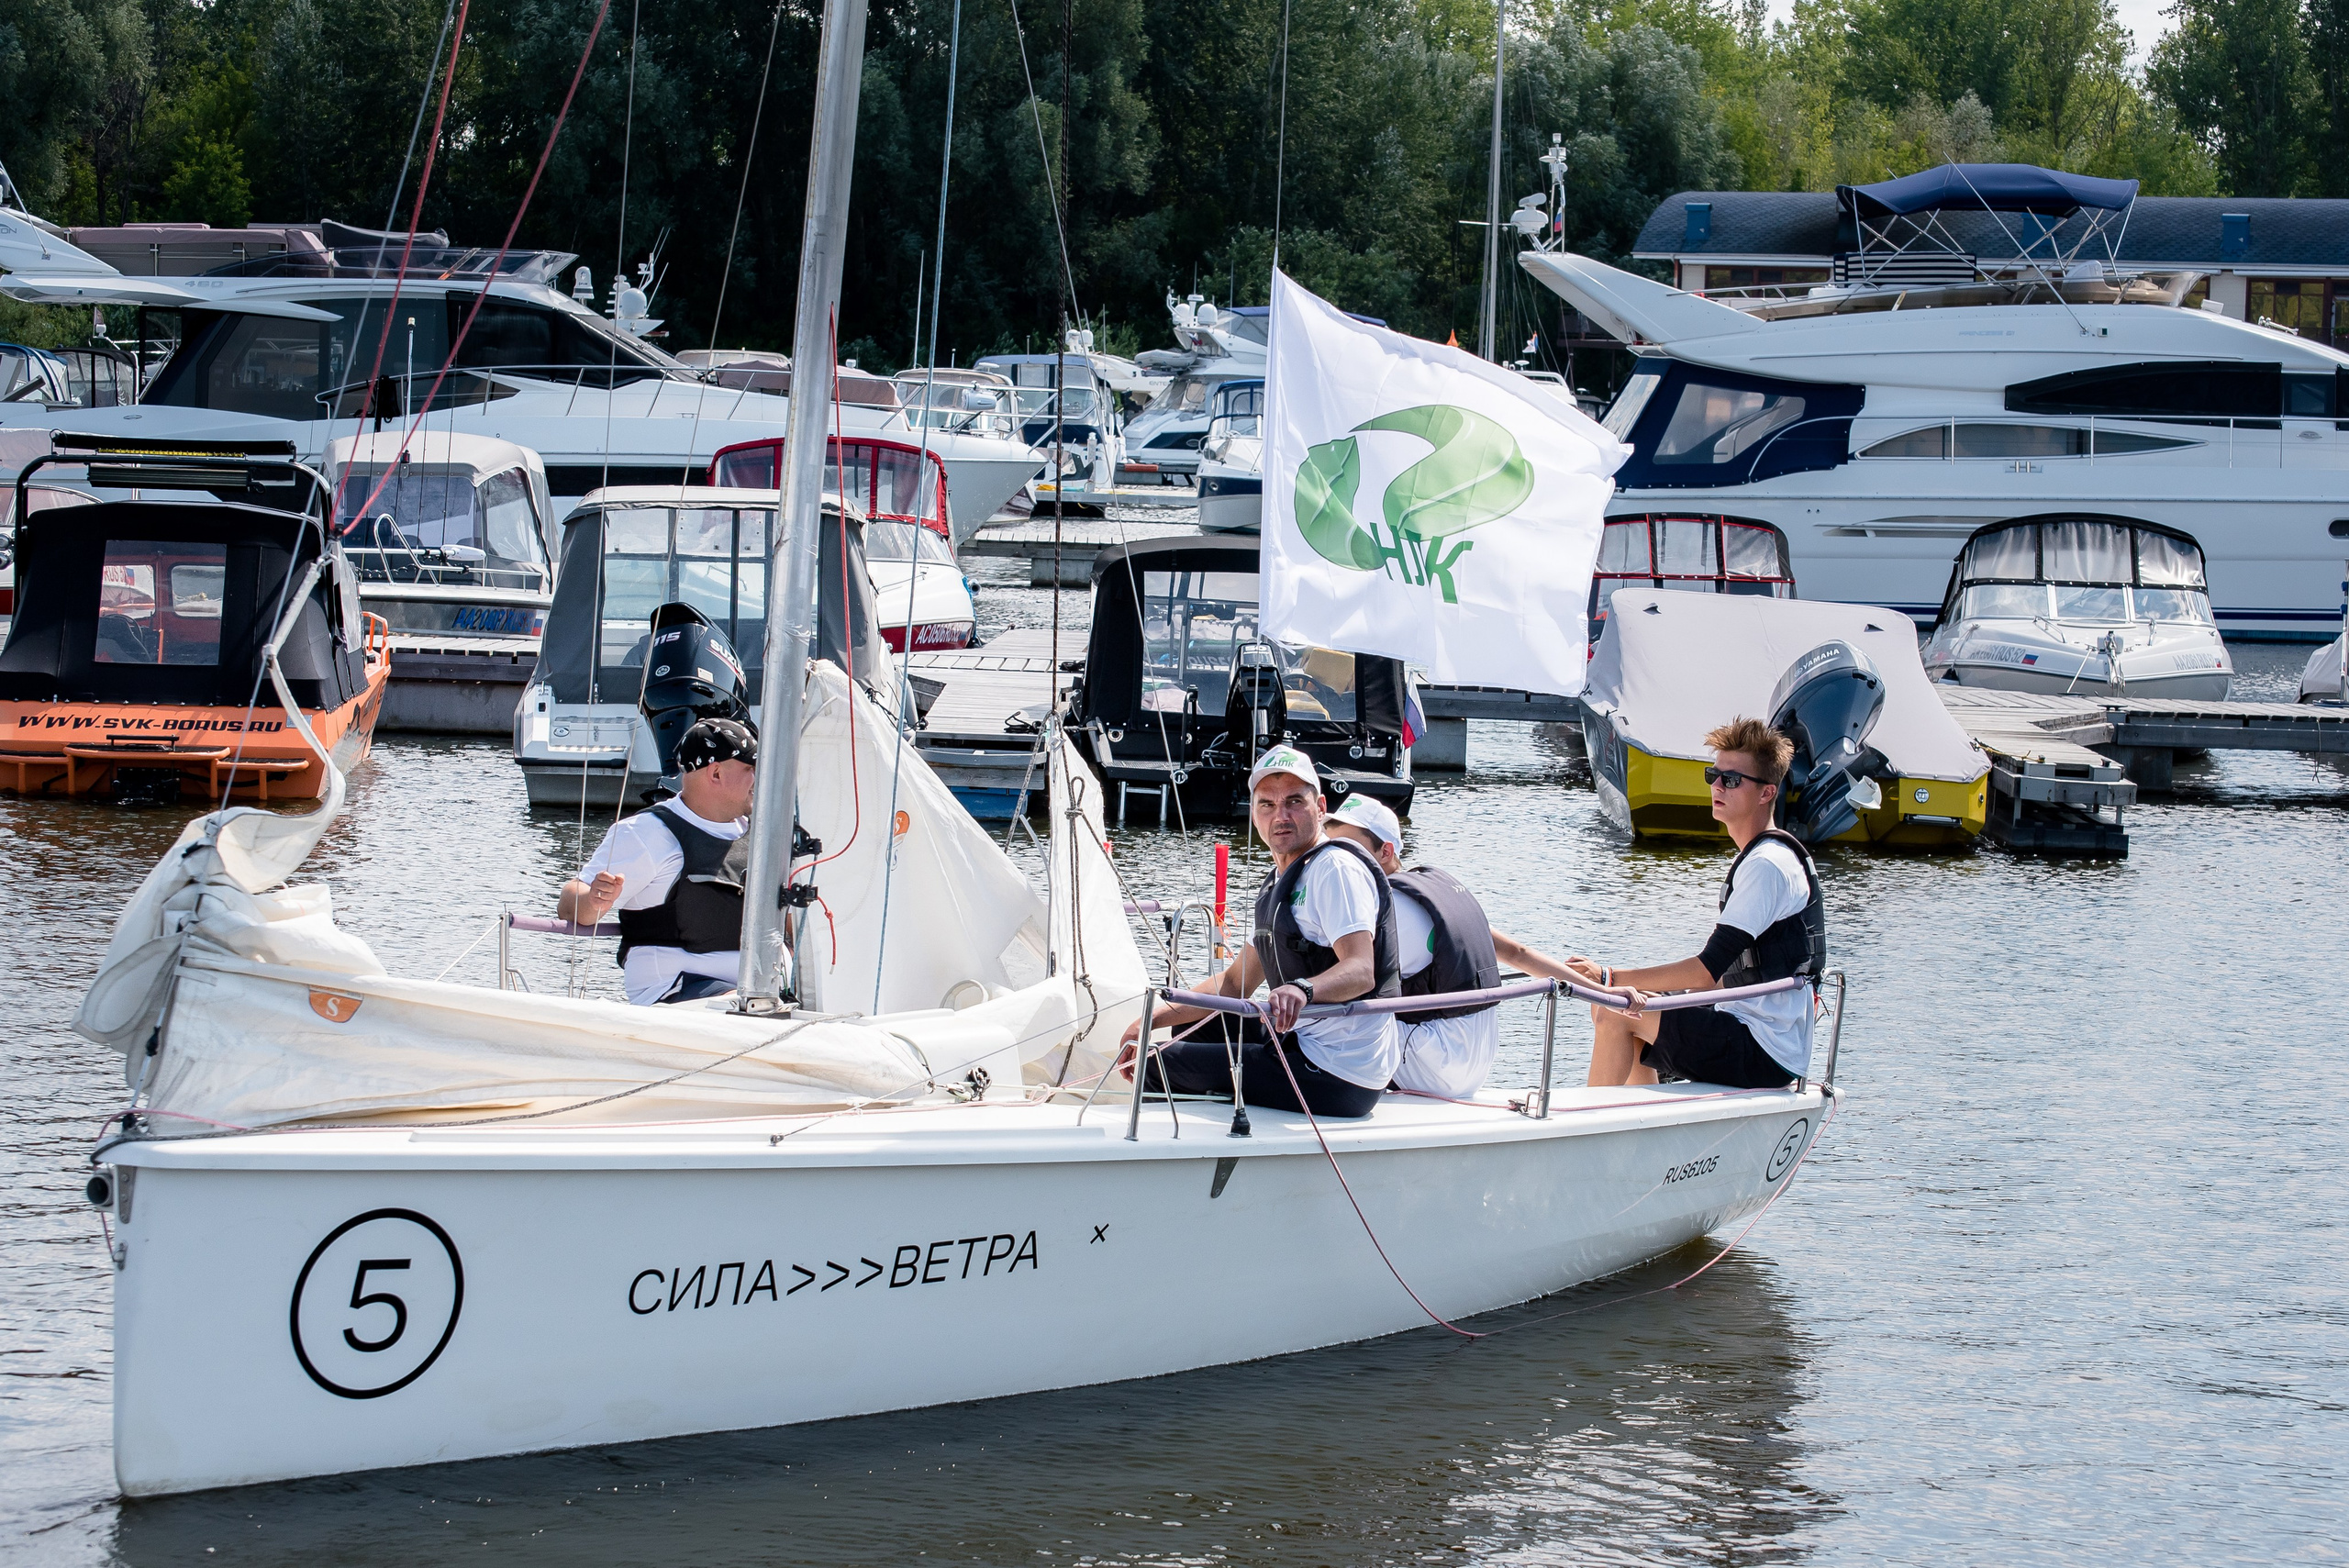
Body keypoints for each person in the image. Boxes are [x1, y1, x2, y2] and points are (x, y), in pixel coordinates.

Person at [1120, 746, 1401, 1117]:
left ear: (1320, 808)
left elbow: (1362, 970)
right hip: (1299, 1041)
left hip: (1340, 1073)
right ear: (1253, 814)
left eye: (1294, 802)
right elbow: (1236, 984)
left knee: (1155, 1065)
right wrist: (1148, 1020)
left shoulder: (1333, 870)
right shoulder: (1280, 881)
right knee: (1199, 1027)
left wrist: (1303, 989)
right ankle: (1220, 1116)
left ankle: (1176, 1152)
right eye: (1267, 804)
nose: (1280, 816)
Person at [1568, 716, 1822, 1090]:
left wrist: (1609, 977)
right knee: (1623, 1003)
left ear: (1767, 793)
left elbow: (1707, 970)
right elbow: (1721, 975)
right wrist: (1666, 1001)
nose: (1717, 786)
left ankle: (1583, 1132)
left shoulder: (1767, 866)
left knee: (1613, 1006)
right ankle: (1638, 1123)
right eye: (1713, 776)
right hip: (1750, 1030)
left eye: (1731, 780)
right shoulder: (1759, 857)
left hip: (1764, 1051)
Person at [1320, 795, 1583, 1100]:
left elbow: (1344, 980)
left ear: (1385, 852)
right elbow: (1516, 953)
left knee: (1318, 1023)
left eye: (1350, 849)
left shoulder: (1388, 907)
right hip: (1478, 1057)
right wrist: (1603, 992)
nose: (1337, 860)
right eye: (1332, 847)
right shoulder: (1436, 888)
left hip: (1436, 1063)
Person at [557, 717, 760, 1006]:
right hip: (677, 992)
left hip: (759, 992)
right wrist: (594, 900)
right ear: (715, 773)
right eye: (750, 768)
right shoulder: (646, 834)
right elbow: (569, 903)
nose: (758, 777)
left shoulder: (763, 836)